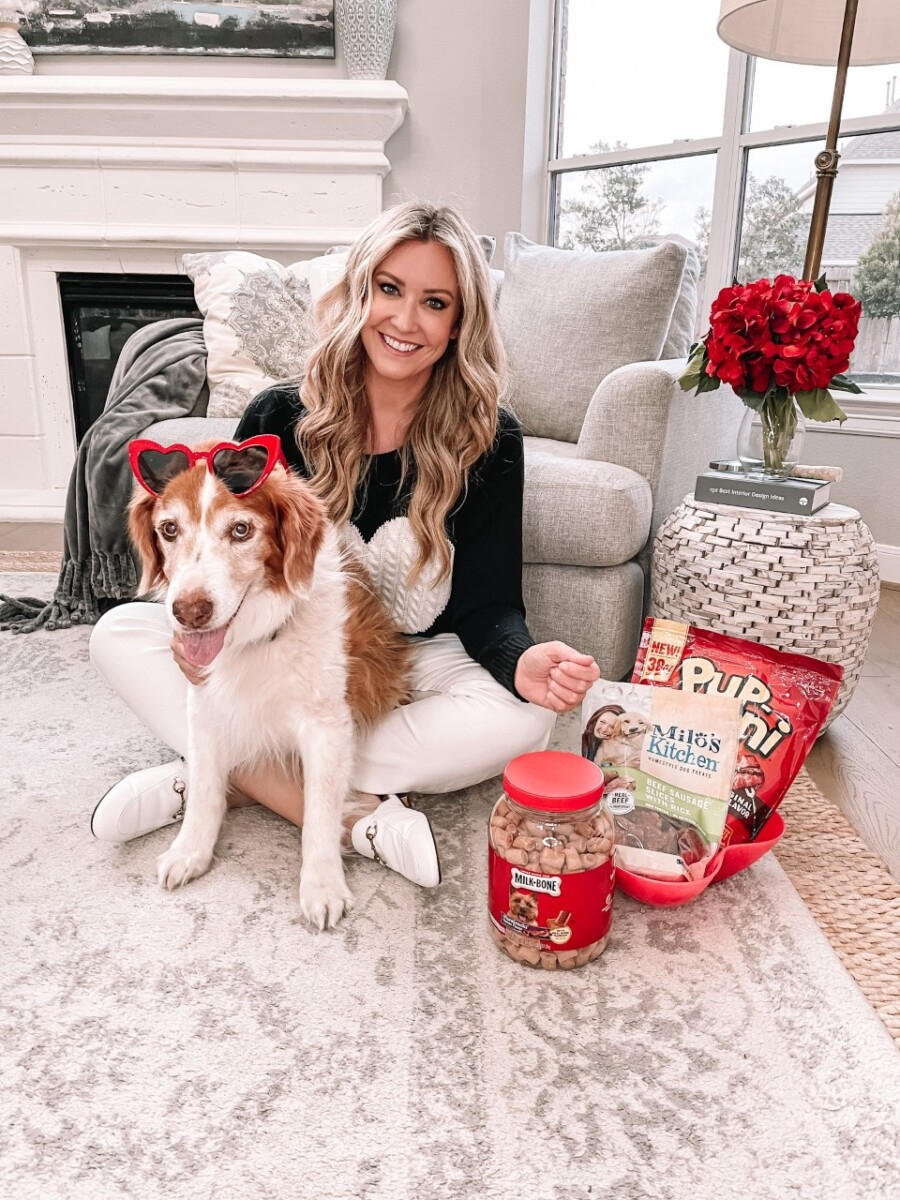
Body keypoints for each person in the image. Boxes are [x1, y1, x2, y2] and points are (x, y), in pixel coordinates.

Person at [90, 200, 601, 887]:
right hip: (292, 648)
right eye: (388, 289)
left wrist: (523, 657)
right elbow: (224, 561)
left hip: (421, 654)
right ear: (361, 291)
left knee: (524, 720)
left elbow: (487, 607)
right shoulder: (278, 415)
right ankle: (353, 818)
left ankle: (222, 778)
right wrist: (195, 636)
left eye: (434, 302)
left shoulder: (489, 438)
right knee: (118, 634)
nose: (404, 319)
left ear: (458, 324)